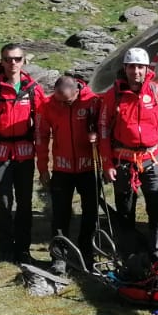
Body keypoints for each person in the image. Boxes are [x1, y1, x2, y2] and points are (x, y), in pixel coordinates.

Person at [97, 47, 158, 273]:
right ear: (125, 68)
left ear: (147, 69)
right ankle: (129, 256)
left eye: (140, 67)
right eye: (132, 66)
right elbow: (103, 131)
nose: (136, 71)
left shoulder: (157, 92)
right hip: (123, 162)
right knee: (125, 212)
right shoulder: (112, 96)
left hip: (153, 159)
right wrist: (106, 164)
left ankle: (157, 258)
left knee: (157, 209)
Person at [0, 43, 43, 264]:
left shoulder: (33, 88)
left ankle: (23, 249)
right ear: (1, 61)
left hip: (25, 154)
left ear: (24, 61)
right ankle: (5, 246)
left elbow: (43, 122)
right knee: (4, 201)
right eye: (7, 59)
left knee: (25, 203)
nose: (12, 63)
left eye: (17, 59)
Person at [36, 72, 98, 272]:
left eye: (68, 101)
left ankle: (87, 252)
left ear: (77, 91)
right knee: (60, 214)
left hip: (88, 168)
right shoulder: (48, 105)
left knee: (91, 213)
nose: (64, 104)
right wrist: (43, 168)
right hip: (62, 169)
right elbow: (42, 138)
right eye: (60, 100)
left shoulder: (93, 101)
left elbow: (105, 132)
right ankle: (59, 257)